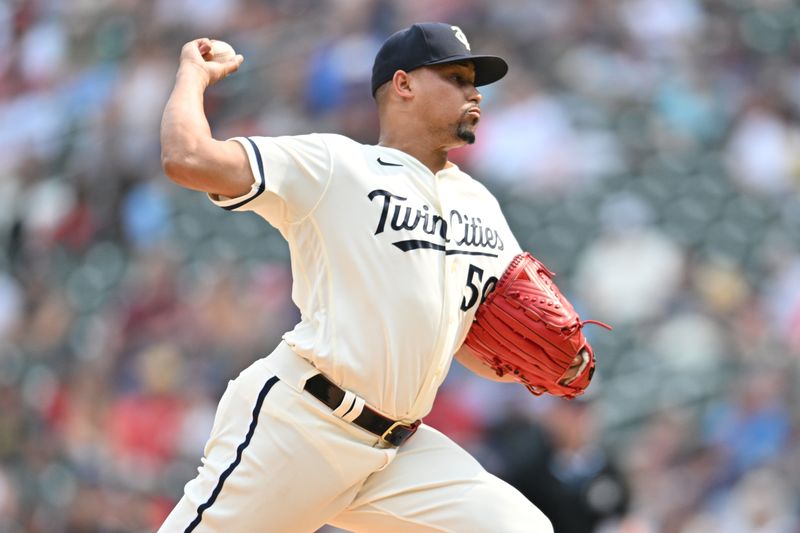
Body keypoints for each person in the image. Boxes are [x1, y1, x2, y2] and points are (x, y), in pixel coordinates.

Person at [158, 22, 581, 532]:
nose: (474, 91)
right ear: (403, 85)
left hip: (398, 454)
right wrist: (191, 75)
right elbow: (187, 157)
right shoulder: (337, 165)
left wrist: (541, 361)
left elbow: (472, 344)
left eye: (475, 80)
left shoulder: (481, 204)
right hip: (304, 426)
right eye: (456, 76)